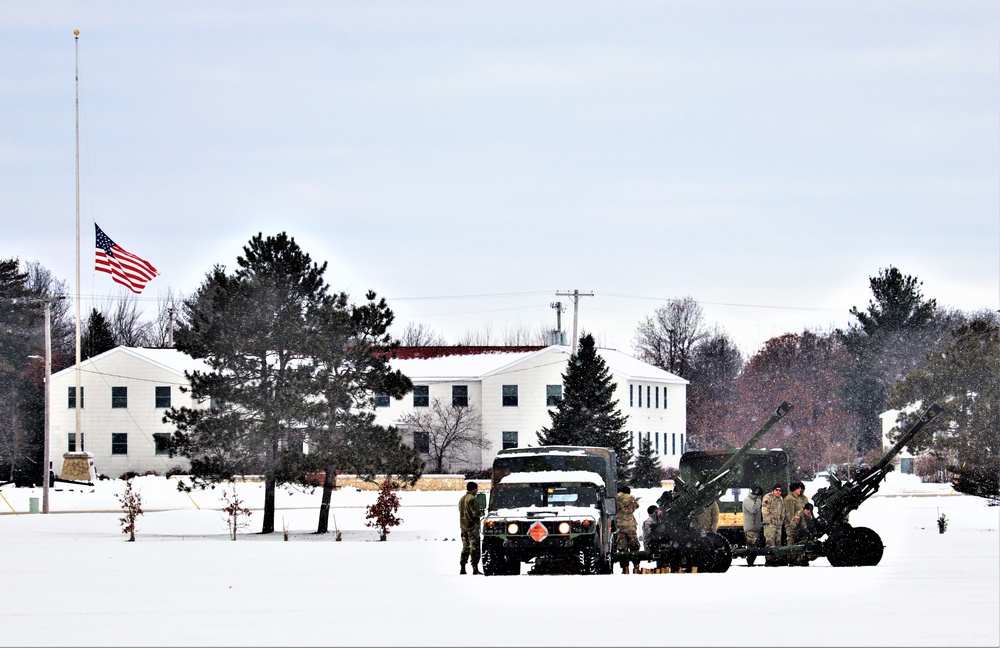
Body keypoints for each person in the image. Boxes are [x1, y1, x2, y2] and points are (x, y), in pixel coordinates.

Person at [615, 485, 640, 574]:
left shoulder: (615, 498)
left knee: (622, 548)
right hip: (630, 525)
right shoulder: (630, 498)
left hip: (619, 526)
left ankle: (625, 568)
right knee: (634, 546)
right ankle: (636, 566)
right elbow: (636, 506)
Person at [784, 481, 810, 566]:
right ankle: (791, 560)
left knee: (798, 542)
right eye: (799, 488)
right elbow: (789, 514)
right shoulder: (789, 499)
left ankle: (798, 559)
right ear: (795, 489)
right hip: (792, 525)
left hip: (798, 525)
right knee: (791, 542)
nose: (800, 490)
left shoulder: (797, 498)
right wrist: (793, 525)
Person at [458, 481, 482, 575]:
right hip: (472, 527)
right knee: (474, 548)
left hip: (463, 526)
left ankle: (463, 567)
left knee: (465, 547)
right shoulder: (472, 499)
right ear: (474, 489)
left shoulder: (462, 499)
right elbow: (475, 513)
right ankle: (475, 568)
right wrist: (482, 513)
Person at [761, 483, 786, 566]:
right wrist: (769, 521)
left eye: (780, 490)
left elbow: (782, 510)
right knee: (770, 541)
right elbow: (765, 510)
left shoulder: (781, 499)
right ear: (773, 490)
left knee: (778, 541)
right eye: (777, 490)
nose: (778, 492)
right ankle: (769, 560)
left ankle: (776, 558)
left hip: (778, 524)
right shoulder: (768, 497)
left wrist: (781, 520)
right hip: (770, 524)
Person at [742, 486, 764, 566]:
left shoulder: (754, 501)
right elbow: (753, 509)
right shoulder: (747, 500)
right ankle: (750, 562)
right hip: (750, 528)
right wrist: (758, 500)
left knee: (755, 547)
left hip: (756, 527)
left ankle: (751, 562)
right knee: (751, 547)